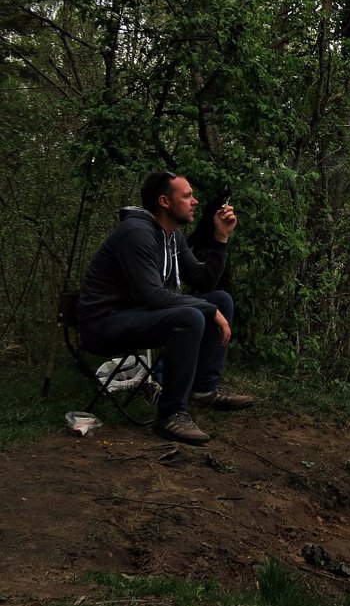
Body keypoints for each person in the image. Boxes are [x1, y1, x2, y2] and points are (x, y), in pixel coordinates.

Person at [76, 171, 253, 445]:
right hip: (104, 324)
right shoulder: (136, 233)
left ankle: (204, 390)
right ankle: (171, 415)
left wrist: (220, 238)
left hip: (135, 315)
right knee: (192, 316)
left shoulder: (171, 236)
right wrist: (207, 310)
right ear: (164, 201)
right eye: (187, 196)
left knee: (220, 299)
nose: (194, 201)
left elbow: (203, 280)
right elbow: (151, 296)